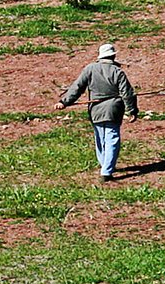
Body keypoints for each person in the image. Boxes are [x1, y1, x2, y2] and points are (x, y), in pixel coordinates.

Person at [58, 43, 139, 182]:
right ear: (113, 55)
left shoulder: (90, 69)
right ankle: (107, 171)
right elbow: (127, 93)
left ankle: (105, 165)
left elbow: (77, 87)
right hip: (113, 110)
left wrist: (64, 102)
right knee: (112, 138)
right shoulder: (117, 72)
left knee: (100, 139)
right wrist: (132, 110)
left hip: (95, 110)